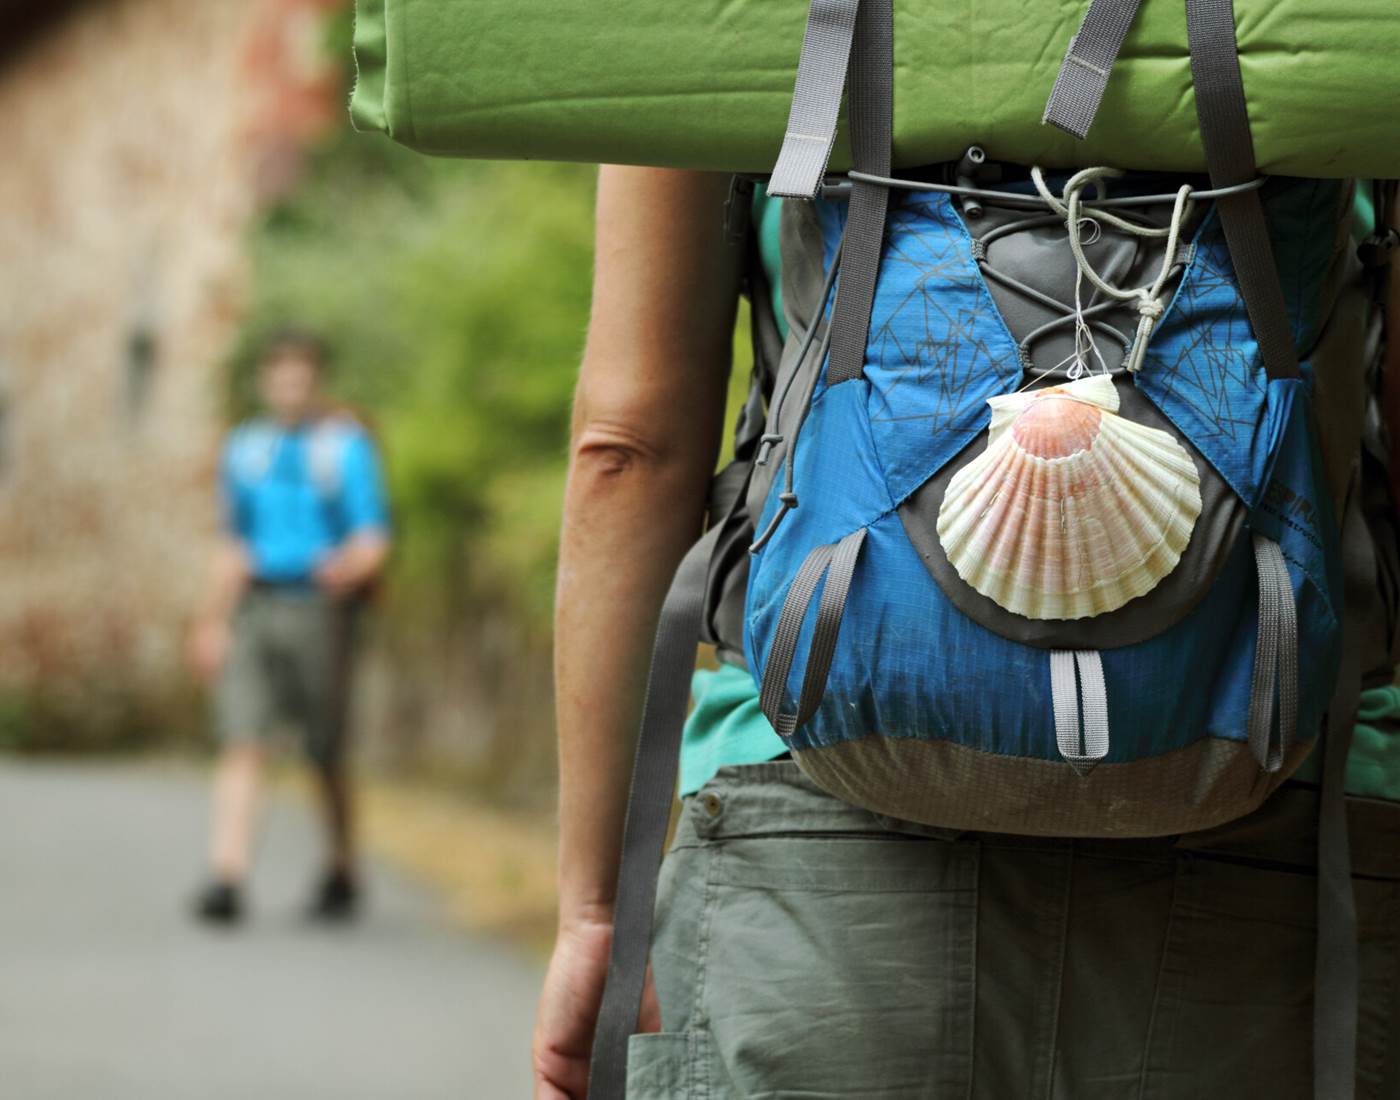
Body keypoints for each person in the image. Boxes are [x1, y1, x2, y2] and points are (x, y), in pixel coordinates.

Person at [533, 167, 1400, 1098]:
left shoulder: (738, 16)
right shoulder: (1340, 17)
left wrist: (594, 911)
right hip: (1285, 839)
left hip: (808, 849)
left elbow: (627, 446)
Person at [187, 330, 390, 925]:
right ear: (265, 381)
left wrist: (344, 566)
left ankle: (341, 864)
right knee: (242, 736)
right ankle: (227, 875)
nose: (290, 387)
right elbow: (233, 542)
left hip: (320, 609)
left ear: (317, 381)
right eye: (280, 376)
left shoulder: (344, 449)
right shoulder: (245, 450)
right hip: (256, 605)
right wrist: (211, 621)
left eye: (301, 376)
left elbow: (372, 540)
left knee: (324, 748)